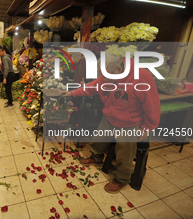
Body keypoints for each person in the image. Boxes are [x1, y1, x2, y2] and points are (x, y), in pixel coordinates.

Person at [62, 53, 161, 193]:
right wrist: (72, 93)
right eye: (102, 75)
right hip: (109, 116)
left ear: (120, 69)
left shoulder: (142, 77)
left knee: (124, 153)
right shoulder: (107, 74)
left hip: (130, 122)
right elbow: (92, 87)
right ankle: (96, 158)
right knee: (99, 139)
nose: (104, 79)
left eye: (108, 76)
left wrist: (147, 128)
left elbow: (152, 105)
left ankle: (121, 179)